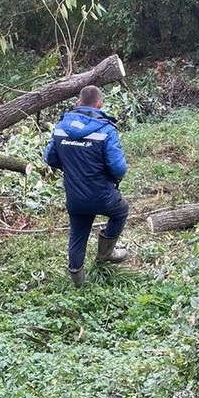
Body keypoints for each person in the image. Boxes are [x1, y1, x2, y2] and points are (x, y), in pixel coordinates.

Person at [45, 85, 129, 287]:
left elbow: (50, 158)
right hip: (103, 196)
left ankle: (78, 281)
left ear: (78, 103)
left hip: (75, 196)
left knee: (78, 233)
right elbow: (119, 169)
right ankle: (105, 255)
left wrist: (72, 166)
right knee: (121, 211)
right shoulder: (106, 130)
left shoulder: (60, 128)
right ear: (99, 104)